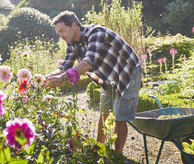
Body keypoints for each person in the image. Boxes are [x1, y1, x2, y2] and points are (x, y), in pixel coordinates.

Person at [44, 11, 142, 153]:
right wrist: (46, 77)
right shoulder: (72, 43)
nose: (61, 35)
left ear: (73, 25)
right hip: (109, 77)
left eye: (62, 30)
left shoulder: (96, 33)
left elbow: (88, 62)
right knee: (104, 114)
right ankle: (98, 151)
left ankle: (117, 156)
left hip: (127, 72)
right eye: (58, 32)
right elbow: (65, 66)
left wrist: (61, 79)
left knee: (119, 118)